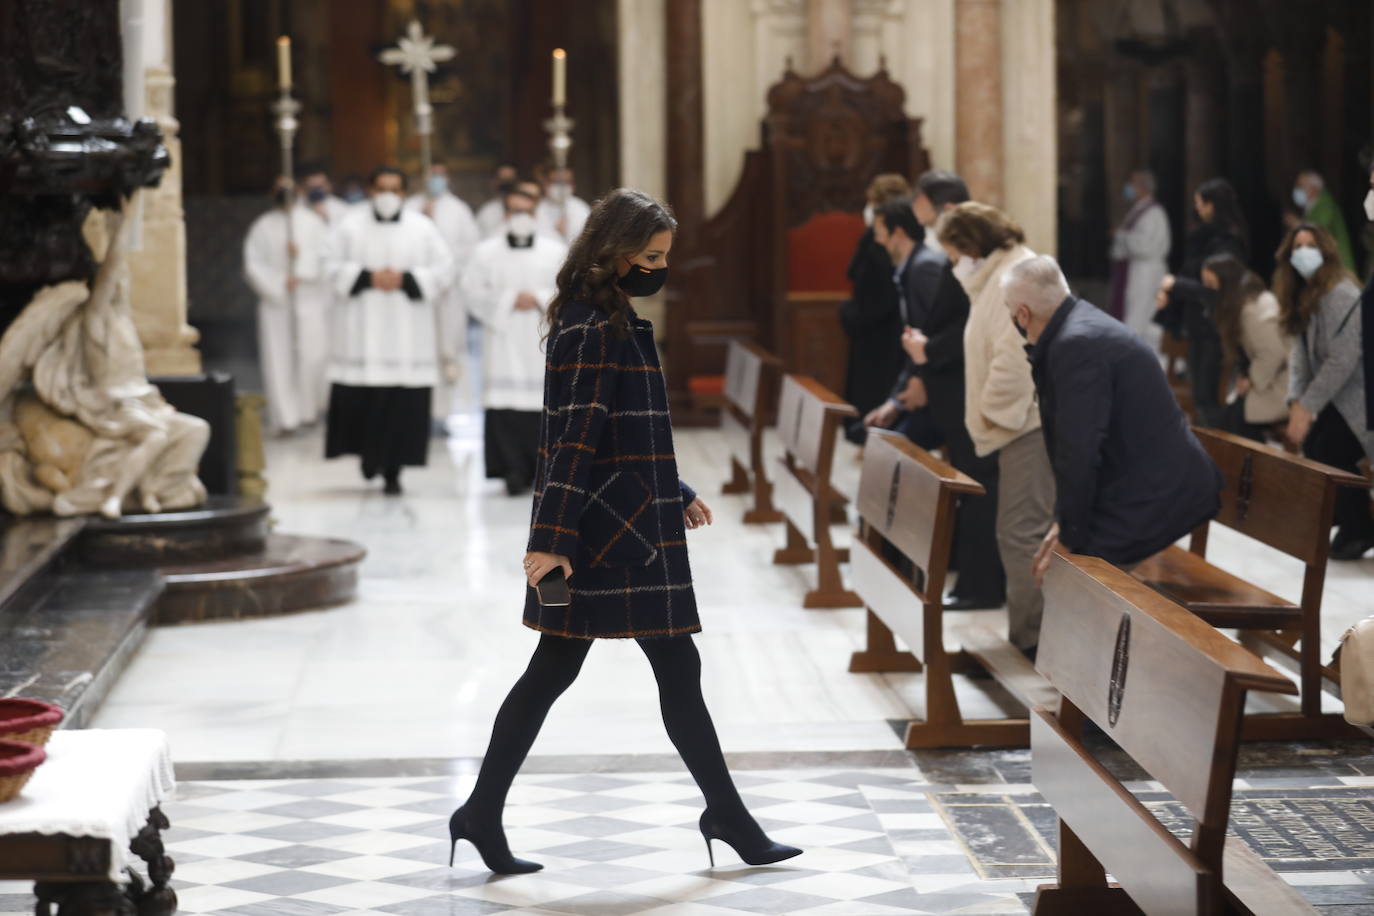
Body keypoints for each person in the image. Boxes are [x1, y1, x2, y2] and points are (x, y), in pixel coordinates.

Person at [449, 188, 802, 875]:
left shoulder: (611, 319)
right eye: (651, 255)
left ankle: (483, 812)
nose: (659, 267)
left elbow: (623, 432)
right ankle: (724, 816)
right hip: (602, 540)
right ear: (613, 255)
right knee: (604, 668)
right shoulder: (591, 327)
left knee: (581, 668)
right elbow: (572, 440)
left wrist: (676, 489)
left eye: (664, 256)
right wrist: (550, 541)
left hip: (622, 524)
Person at [1007, 256, 1222, 578]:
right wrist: (1065, 523)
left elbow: (1079, 450)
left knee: (1071, 578)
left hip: (1157, 493)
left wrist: (1069, 537)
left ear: (1022, 314)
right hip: (1143, 482)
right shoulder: (1077, 325)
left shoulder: (1074, 345)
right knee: (1066, 567)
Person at [866, 195, 1005, 610]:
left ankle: (979, 585)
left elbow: (971, 331)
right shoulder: (964, 271)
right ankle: (959, 578)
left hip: (966, 393)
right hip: (951, 391)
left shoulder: (984, 278)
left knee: (978, 489)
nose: (944, 252)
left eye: (950, 246)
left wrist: (929, 352)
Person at [938, 202, 1053, 655]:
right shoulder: (994, 275)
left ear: (972, 245)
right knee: (1017, 530)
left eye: (953, 255)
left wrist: (988, 416)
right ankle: (1028, 635)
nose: (953, 265)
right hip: (1014, 425)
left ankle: (1037, 642)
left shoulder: (1015, 274)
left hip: (1025, 424)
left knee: (1021, 531)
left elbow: (1014, 358)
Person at [323, 165, 454, 495]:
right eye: (381, 188)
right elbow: (328, 265)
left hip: (407, 334)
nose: (387, 196)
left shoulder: (422, 227)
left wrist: (407, 278)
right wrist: (366, 277)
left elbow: (444, 270)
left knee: (401, 406)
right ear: (370, 191)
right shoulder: (349, 226)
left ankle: (394, 470)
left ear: (404, 193)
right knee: (366, 402)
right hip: (363, 332)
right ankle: (368, 458)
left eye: (394, 189)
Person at [1274, 223, 1374, 560]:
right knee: (1318, 446)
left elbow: (1343, 359)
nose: (1303, 252)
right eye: (1297, 246)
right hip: (1336, 397)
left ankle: (1359, 527)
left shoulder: (1341, 293)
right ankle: (1346, 518)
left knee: (1331, 449)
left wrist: (1307, 406)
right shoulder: (1305, 294)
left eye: (1310, 245)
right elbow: (1299, 356)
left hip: (1360, 395)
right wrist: (1295, 403)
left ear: (1326, 250)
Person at [461, 185, 567, 495]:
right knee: (504, 406)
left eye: (527, 212)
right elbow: (471, 291)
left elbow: (569, 289)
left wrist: (538, 297)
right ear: (505, 214)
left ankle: (542, 471)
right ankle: (509, 470)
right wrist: (508, 299)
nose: (521, 218)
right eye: (515, 212)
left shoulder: (555, 251)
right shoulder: (485, 252)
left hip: (540, 337)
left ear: (537, 214)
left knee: (541, 405)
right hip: (503, 337)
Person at [1156, 177, 1250, 427]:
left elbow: (1218, 292)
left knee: (1207, 400)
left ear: (1212, 205)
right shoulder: (1207, 238)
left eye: (1200, 203)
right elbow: (1194, 275)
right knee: (1199, 397)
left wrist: (1177, 285)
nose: (1197, 209)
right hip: (1199, 325)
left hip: (1215, 329)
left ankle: (1216, 456)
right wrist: (1173, 292)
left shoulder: (1228, 242)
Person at [243, 177, 331, 433]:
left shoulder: (313, 223)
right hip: (278, 303)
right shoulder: (262, 226)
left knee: (311, 355)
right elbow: (253, 264)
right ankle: (286, 417)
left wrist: (301, 262)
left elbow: (326, 257)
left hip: (308, 298)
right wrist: (281, 281)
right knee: (279, 358)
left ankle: (309, 410)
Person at [406, 163, 482, 431]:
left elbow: (470, 249)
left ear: (446, 178)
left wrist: (446, 275)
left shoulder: (458, 210)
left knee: (448, 350)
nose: (435, 180)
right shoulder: (411, 207)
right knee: (420, 349)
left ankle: (444, 413)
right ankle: (420, 414)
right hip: (420, 294)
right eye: (430, 176)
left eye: (439, 175)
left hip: (450, 292)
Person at [840, 173, 910, 444]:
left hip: (880, 331)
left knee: (876, 390)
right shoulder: (876, 237)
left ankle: (873, 441)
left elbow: (880, 294)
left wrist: (850, 314)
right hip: (877, 329)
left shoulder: (881, 242)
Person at [1199, 254, 1291, 442]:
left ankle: (1250, 468)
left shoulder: (1252, 310)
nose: (1208, 291)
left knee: (1230, 424)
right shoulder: (1246, 302)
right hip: (1269, 380)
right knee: (1226, 420)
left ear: (1226, 283)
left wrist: (1251, 381)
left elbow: (1273, 353)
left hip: (1281, 385)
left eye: (1211, 284)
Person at [1109, 169, 1171, 345]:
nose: (1128, 188)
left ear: (1142, 187)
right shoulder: (1138, 210)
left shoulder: (1155, 213)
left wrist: (1122, 236)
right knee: (1133, 316)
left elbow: (1147, 246)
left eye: (1132, 184)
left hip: (1146, 274)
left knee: (1142, 318)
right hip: (1135, 270)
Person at [1292, 170, 1356, 273]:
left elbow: (1320, 228)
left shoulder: (1325, 203)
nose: (1298, 189)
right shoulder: (1311, 206)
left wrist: (1299, 224)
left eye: (1300, 185)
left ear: (1313, 188)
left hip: (1337, 264)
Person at [911, 168, 971, 251]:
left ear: (948, 207)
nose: (914, 206)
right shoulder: (929, 236)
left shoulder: (966, 244)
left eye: (918, 199)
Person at [535, 163, 591, 244]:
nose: (561, 187)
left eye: (567, 182)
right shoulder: (536, 208)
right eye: (556, 182)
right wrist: (556, 234)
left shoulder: (581, 207)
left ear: (573, 185)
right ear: (545, 184)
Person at [477, 162, 520, 238]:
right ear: (494, 181)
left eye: (510, 180)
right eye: (502, 179)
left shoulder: (530, 208)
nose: (506, 184)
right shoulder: (487, 211)